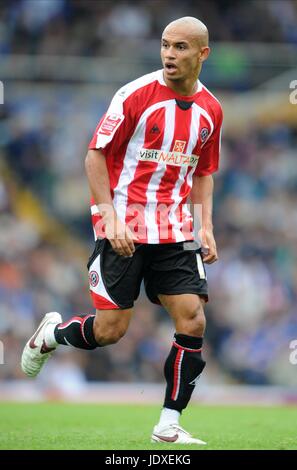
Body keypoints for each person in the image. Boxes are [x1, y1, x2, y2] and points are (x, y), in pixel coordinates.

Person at [21, 16, 223, 445]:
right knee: (111, 331)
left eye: (181, 47)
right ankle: (53, 335)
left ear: (202, 54)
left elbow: (204, 171)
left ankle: (169, 423)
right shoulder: (134, 95)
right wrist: (108, 216)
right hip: (125, 223)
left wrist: (205, 225)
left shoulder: (212, 110)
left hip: (175, 228)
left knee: (194, 319)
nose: (170, 54)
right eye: (166, 45)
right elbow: (96, 155)